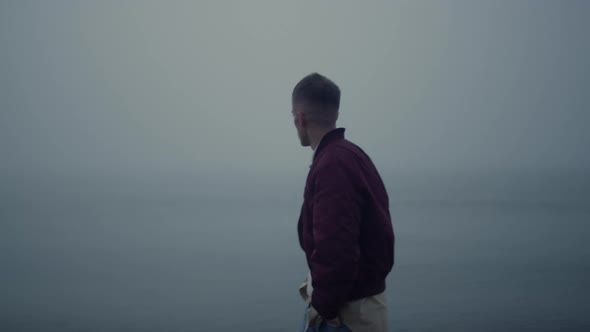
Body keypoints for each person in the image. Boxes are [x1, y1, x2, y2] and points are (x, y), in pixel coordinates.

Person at [291, 73, 395, 332]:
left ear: (300, 118)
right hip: (356, 310)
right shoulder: (350, 156)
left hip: (344, 319)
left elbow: (336, 250)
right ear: (334, 114)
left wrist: (323, 309)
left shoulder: (333, 165)